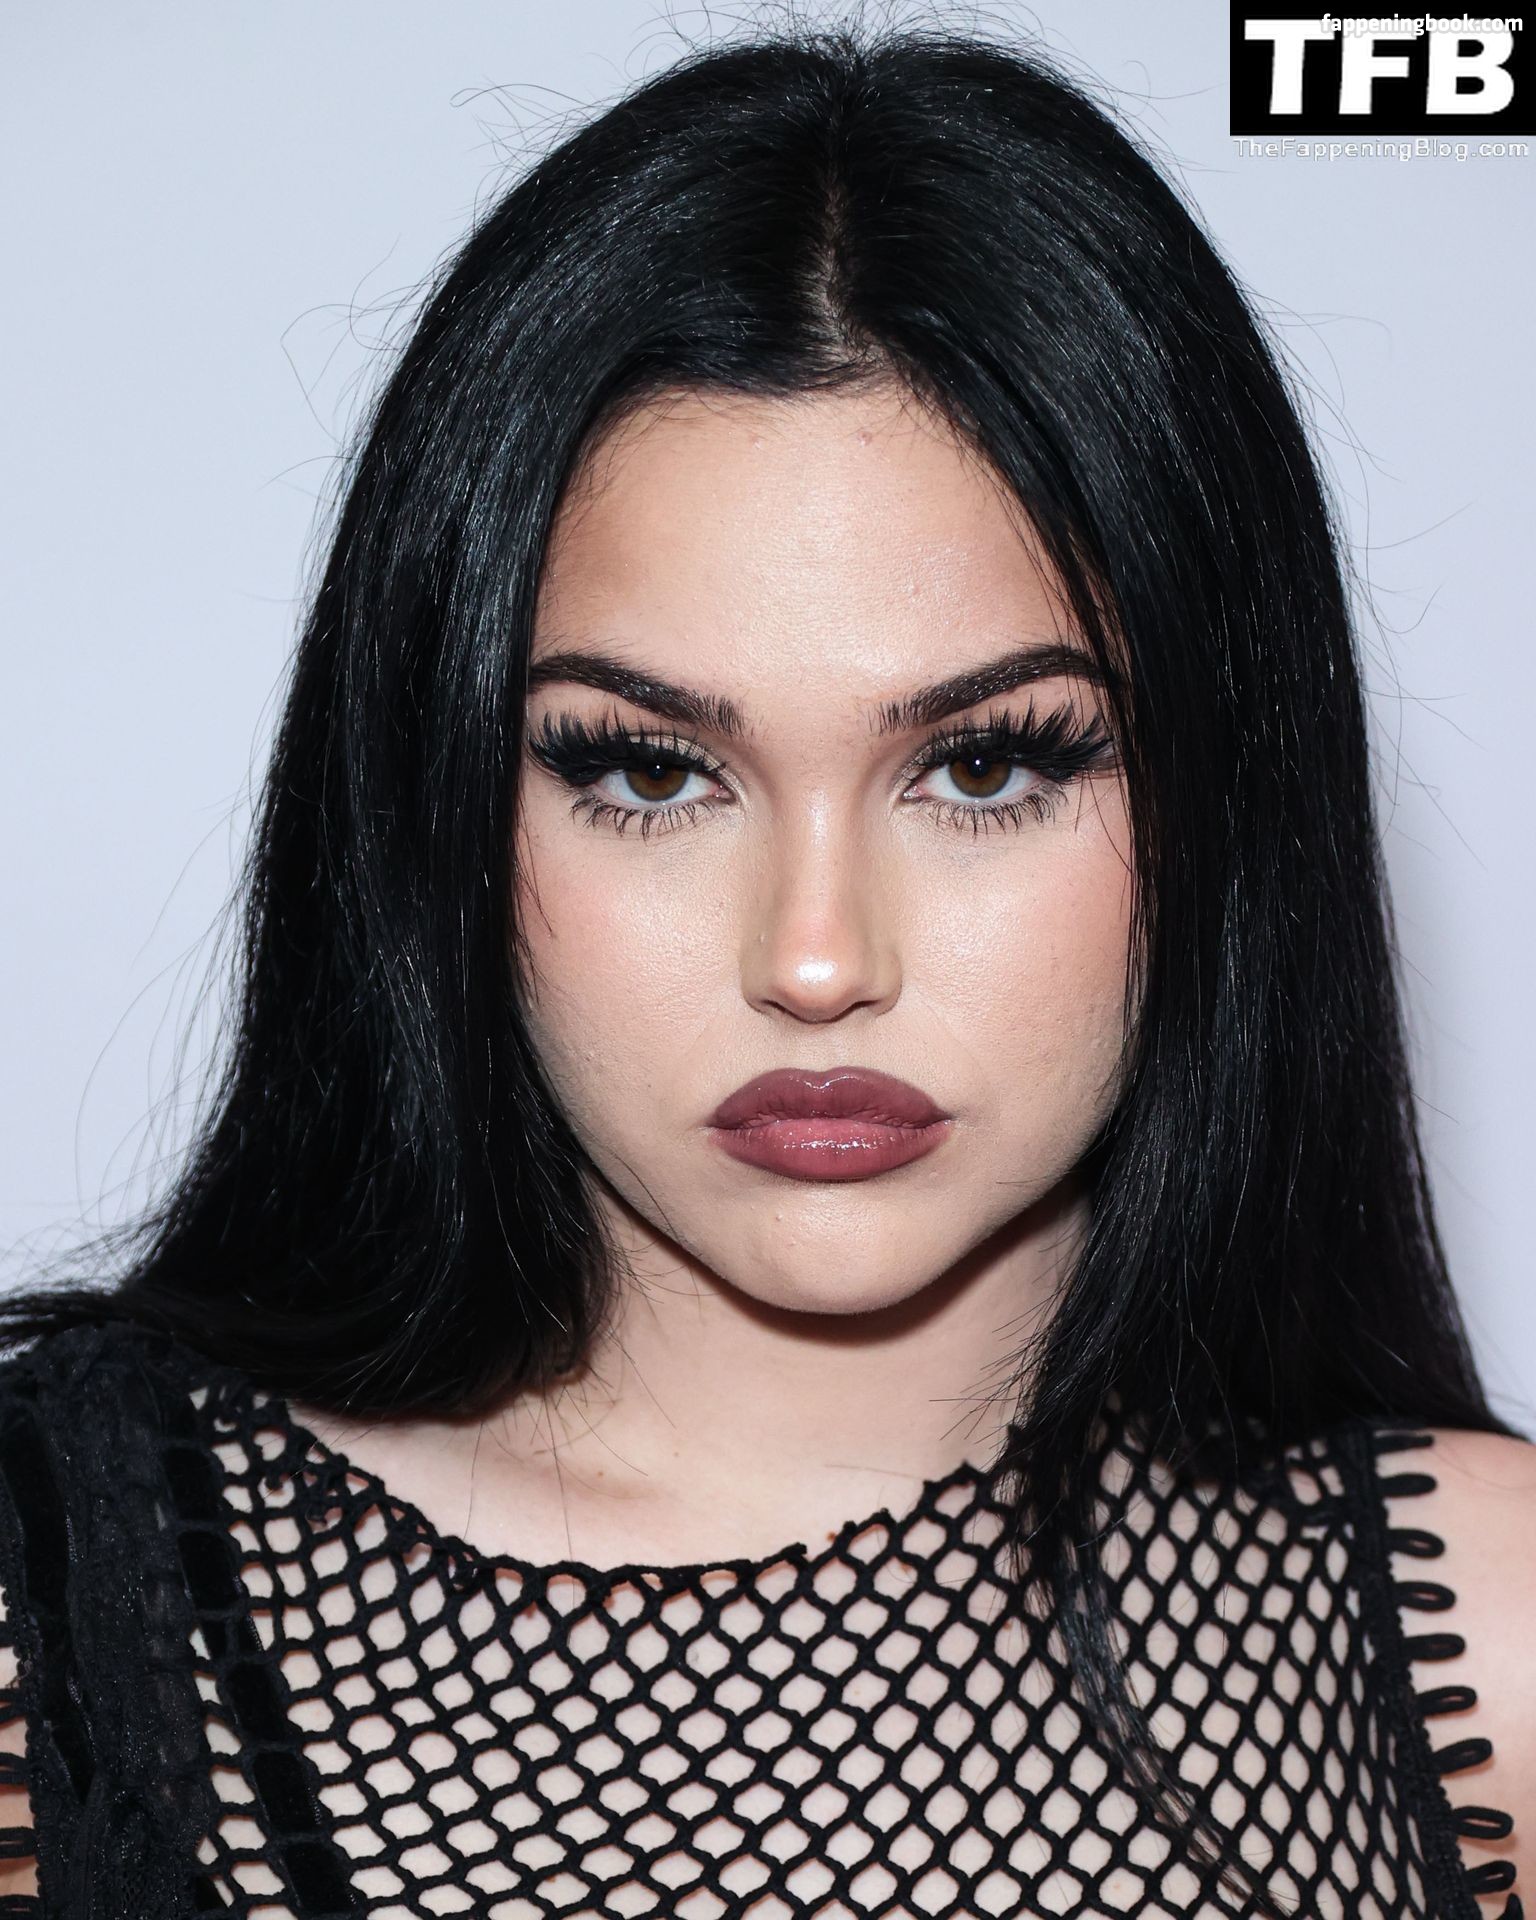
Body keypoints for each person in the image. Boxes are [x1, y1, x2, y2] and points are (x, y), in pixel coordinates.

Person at [0, 18, 1530, 1919]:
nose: (815, 959)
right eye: (651, 773)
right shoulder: (54, 1619)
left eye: (989, 768)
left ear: (1234, 796)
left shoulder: (1494, 1655)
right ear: (438, 805)